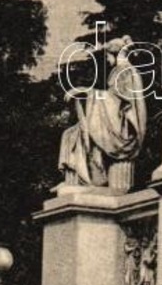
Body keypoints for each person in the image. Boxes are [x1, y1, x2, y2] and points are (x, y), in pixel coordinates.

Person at [59, 35, 147, 187]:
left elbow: (120, 101)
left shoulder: (125, 71)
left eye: (107, 56)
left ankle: (87, 179)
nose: (106, 60)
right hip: (112, 121)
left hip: (122, 126)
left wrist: (87, 92)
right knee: (70, 135)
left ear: (114, 54)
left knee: (76, 134)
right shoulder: (120, 71)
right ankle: (83, 179)